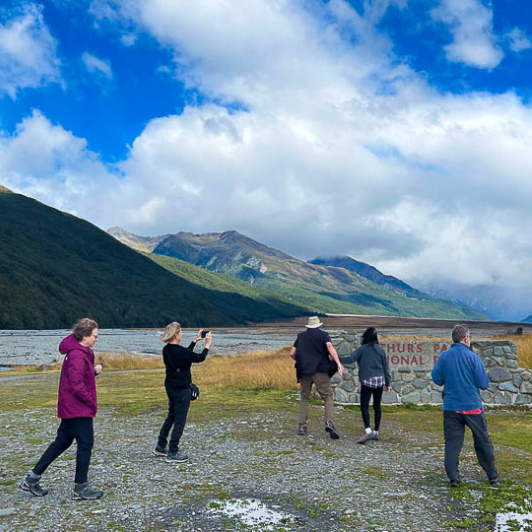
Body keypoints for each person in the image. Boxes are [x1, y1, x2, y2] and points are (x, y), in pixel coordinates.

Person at [19, 318, 104, 500]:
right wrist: (90, 400)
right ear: (85, 336)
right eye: (95, 336)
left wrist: (93, 371)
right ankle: (80, 487)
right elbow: (76, 384)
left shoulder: (79, 353)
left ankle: (32, 479)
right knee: (86, 444)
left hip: (71, 408)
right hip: (77, 409)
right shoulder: (77, 355)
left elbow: (79, 377)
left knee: (61, 443)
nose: (97, 339)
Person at [431, 324, 499, 488]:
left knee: (452, 443)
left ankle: (454, 478)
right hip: (472, 407)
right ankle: (492, 476)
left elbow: (437, 378)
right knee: (483, 441)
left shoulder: (444, 356)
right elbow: (483, 383)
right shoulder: (473, 357)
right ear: (466, 338)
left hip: (451, 407)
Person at [153, 322, 211, 463]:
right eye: (180, 332)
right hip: (182, 389)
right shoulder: (179, 351)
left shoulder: (167, 350)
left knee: (171, 416)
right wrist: (207, 344)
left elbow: (185, 356)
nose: (181, 334)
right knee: (180, 420)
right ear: (176, 334)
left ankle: (160, 446)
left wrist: (195, 341)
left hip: (171, 387)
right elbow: (198, 358)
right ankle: (172, 452)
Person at [290, 316, 343, 439]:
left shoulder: (300, 337)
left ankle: (302, 426)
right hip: (319, 370)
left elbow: (292, 353)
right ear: (318, 325)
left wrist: (300, 361)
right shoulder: (323, 335)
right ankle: (329, 422)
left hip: (304, 371)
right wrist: (338, 363)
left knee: (304, 397)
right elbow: (330, 347)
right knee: (328, 395)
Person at [340, 327, 391, 444]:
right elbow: (386, 368)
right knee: (377, 406)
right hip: (379, 381)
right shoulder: (380, 350)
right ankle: (376, 431)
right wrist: (387, 383)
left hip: (367, 381)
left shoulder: (362, 349)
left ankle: (367, 430)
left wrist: (336, 358)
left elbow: (350, 359)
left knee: (364, 406)